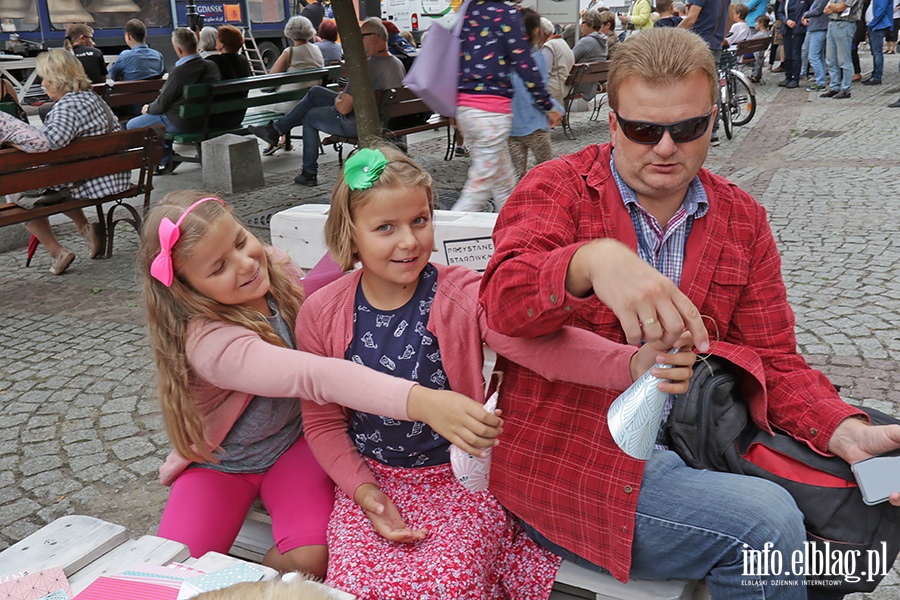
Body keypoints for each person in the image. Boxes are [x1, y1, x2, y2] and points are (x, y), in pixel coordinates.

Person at [479, 27, 900, 599]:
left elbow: (773, 356)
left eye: (688, 128)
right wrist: (588, 261)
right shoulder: (557, 189)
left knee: (878, 474)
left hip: (706, 436)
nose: (665, 147)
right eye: (643, 129)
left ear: (714, 118)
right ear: (613, 122)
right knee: (763, 525)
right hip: (576, 458)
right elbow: (500, 304)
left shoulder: (739, 216)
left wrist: (841, 428)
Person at [298, 146, 697, 599]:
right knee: (348, 588)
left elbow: (540, 347)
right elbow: (323, 421)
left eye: (420, 221)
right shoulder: (321, 315)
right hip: (370, 481)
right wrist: (364, 493)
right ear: (351, 236)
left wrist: (629, 364)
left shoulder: (462, 294)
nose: (408, 241)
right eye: (385, 228)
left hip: (459, 481)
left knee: (448, 586)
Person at [140, 190, 503, 576]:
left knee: (311, 556)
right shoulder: (209, 342)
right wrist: (424, 402)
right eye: (218, 268)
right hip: (219, 465)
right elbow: (314, 375)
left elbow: (323, 286)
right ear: (186, 288)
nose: (246, 263)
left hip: (294, 449)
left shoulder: (277, 270)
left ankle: (259, 582)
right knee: (169, 566)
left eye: (242, 241)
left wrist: (365, 232)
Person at [1, 49, 129, 276]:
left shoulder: (67, 107)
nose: (42, 84)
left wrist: (14, 144)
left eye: (44, 78)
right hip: (112, 175)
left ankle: (56, 251)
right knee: (56, 180)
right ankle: (85, 229)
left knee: (18, 194)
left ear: (58, 78)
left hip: (91, 183)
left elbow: (47, 144)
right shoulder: (93, 98)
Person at [247, 18, 404, 187]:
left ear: (374, 37)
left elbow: (344, 108)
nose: (358, 41)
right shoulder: (397, 63)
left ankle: (309, 172)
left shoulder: (366, 68)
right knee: (315, 92)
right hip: (382, 118)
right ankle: (276, 129)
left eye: (361, 36)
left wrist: (339, 99)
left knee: (310, 116)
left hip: (359, 122)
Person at [450, 0, 562, 213]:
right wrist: (547, 105)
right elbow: (525, 64)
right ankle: (443, 238)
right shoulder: (506, 14)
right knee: (479, 187)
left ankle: (508, 232)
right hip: (490, 111)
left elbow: (455, 58)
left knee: (503, 183)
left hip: (467, 108)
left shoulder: (469, 10)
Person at [127, 28, 221, 172]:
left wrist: (148, 108)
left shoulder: (179, 72)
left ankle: (164, 158)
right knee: (160, 120)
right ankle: (166, 157)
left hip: (181, 122)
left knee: (132, 125)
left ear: (178, 49)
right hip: (206, 119)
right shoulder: (212, 66)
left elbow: (162, 105)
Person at [510, 8, 565, 181]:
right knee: (547, 170)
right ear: (536, 30)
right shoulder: (535, 57)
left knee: (518, 175)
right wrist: (555, 109)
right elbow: (538, 91)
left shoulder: (507, 57)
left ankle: (518, 204)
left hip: (513, 127)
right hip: (535, 126)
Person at [262, 16, 325, 156]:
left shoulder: (289, 52)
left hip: (291, 104)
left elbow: (269, 80)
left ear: (289, 32)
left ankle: (273, 140)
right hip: (311, 102)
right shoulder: (316, 50)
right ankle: (283, 138)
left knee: (262, 106)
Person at [678, 0, 730, 144]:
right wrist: (721, 36)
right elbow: (730, 15)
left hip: (699, 44)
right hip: (715, 45)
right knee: (712, 84)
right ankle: (713, 128)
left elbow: (691, 19)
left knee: (695, 86)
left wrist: (673, 35)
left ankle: (704, 128)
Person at [205, 25, 253, 130]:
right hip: (238, 116)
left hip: (217, 118)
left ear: (222, 44)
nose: (215, 41)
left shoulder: (213, 61)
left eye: (217, 38)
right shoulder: (243, 60)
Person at [821, 0, 863, 98]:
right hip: (832, 23)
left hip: (845, 24)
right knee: (831, 59)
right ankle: (834, 86)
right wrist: (835, 6)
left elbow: (841, 8)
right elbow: (826, 10)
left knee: (844, 59)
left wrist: (834, 7)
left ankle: (845, 89)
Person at [539, 17, 576, 106]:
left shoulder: (549, 46)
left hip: (555, 88)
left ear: (541, 32)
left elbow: (544, 73)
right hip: (566, 86)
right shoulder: (561, 42)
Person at [776, 0, 808, 88]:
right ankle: (788, 77)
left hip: (798, 29)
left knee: (795, 54)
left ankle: (795, 78)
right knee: (788, 54)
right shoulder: (786, 1)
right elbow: (780, 12)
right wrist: (786, 21)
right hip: (787, 29)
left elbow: (810, 8)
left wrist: (806, 17)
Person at [863, 0, 892, 84]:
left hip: (877, 26)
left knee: (877, 53)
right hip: (873, 25)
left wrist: (872, 24)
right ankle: (875, 74)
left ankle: (877, 77)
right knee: (875, 52)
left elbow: (881, 9)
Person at [803, 0, 830, 89]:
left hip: (819, 28)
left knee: (813, 56)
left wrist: (806, 14)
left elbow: (818, 11)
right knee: (819, 56)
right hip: (814, 27)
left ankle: (820, 82)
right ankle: (821, 80)